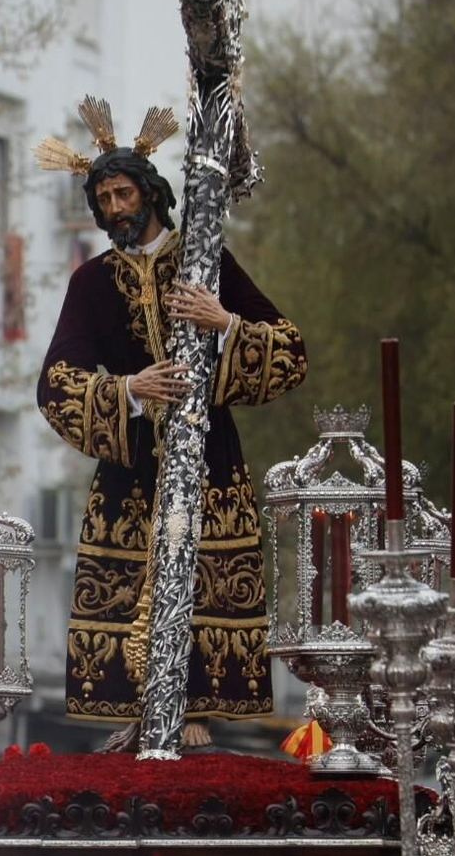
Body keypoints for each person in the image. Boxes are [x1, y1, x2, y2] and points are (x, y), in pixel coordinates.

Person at [34, 97, 307, 751]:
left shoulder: (205, 261)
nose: (114, 209)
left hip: (208, 465)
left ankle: (194, 710)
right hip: (130, 474)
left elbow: (291, 350)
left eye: (124, 192)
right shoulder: (92, 282)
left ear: (150, 192)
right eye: (103, 199)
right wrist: (128, 389)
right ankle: (139, 712)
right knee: (130, 585)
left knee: (204, 581)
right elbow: (55, 382)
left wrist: (224, 323)